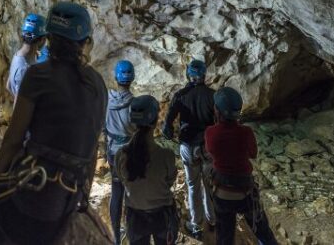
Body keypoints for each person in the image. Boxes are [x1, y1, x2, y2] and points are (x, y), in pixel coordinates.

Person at [0, 1, 107, 245]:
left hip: (34, 195)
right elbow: (92, 148)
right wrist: (83, 197)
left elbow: (14, 138)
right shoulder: (99, 85)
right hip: (69, 197)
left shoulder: (38, 75)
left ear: (49, 38)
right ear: (86, 42)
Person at [205, 87, 278, 245]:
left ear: (217, 110)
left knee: (224, 238)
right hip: (245, 192)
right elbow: (253, 154)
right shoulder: (246, 132)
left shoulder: (210, 132)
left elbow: (211, 153)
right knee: (263, 232)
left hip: (222, 193)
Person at [161, 59, 216, 237]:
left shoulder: (180, 95)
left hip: (187, 145)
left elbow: (167, 126)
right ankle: (212, 220)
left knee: (193, 186)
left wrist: (170, 131)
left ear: (188, 75)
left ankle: (196, 225)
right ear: (204, 75)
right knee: (209, 184)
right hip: (207, 146)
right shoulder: (212, 95)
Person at [115, 95, 178, 245]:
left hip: (135, 216)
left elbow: (122, 179)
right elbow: (169, 181)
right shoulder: (166, 155)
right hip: (162, 215)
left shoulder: (121, 155)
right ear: (155, 121)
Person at [105, 60, 136, 245]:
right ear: (132, 79)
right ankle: (131, 232)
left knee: (116, 191)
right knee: (131, 192)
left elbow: (103, 126)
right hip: (129, 153)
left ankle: (116, 236)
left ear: (116, 78)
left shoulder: (107, 100)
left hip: (112, 152)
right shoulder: (135, 103)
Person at [6, 13, 47, 97]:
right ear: (42, 40)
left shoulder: (17, 55)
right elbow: (19, 104)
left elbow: (8, 86)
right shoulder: (25, 70)